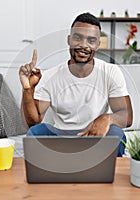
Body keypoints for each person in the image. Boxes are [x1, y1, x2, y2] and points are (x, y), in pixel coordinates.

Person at [19, 12, 133, 156]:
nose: (83, 45)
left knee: (117, 134)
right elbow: (33, 123)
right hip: (61, 136)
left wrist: (107, 118)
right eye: (78, 38)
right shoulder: (50, 76)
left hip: (94, 136)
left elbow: (127, 117)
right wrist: (28, 89)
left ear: (98, 45)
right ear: (69, 40)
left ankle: (89, 167)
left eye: (91, 40)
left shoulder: (110, 72)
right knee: (35, 133)